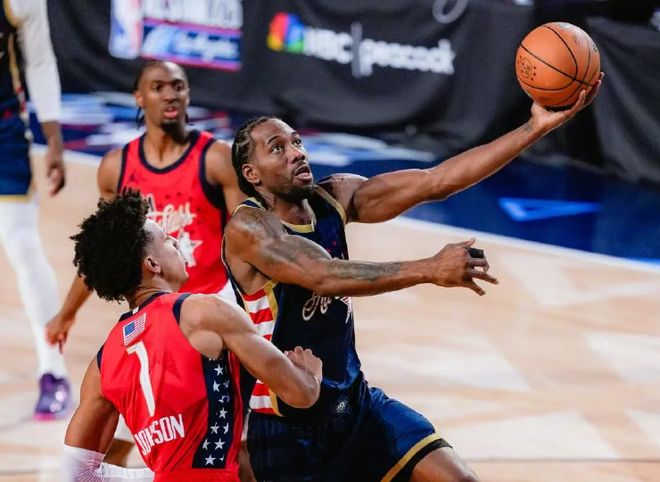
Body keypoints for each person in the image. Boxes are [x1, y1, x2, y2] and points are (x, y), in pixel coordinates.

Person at [222, 79, 602, 482]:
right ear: (252, 173)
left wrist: (534, 127)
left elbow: (437, 180)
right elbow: (322, 275)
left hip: (357, 405)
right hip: (288, 430)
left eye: (296, 142)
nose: (296, 153)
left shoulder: (334, 198)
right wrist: (428, 268)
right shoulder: (249, 229)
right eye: (277, 148)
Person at [44, 59, 247, 468]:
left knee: (234, 446)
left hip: (214, 308)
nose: (170, 94)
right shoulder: (117, 167)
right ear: (139, 97)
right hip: (155, 318)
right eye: (158, 87)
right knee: (116, 443)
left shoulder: (215, 158)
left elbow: (249, 239)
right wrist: (66, 313)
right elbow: (104, 250)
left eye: (178, 86)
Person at [62, 190, 322, 482]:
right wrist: (311, 377)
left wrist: (164, 476)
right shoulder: (205, 312)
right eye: (166, 240)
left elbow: (77, 474)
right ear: (152, 264)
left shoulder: (101, 364)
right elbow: (299, 394)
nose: (176, 241)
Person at [0, 0, 70, 419]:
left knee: (22, 245)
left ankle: (53, 372)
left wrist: (54, 139)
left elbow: (40, 59)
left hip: (3, 129)